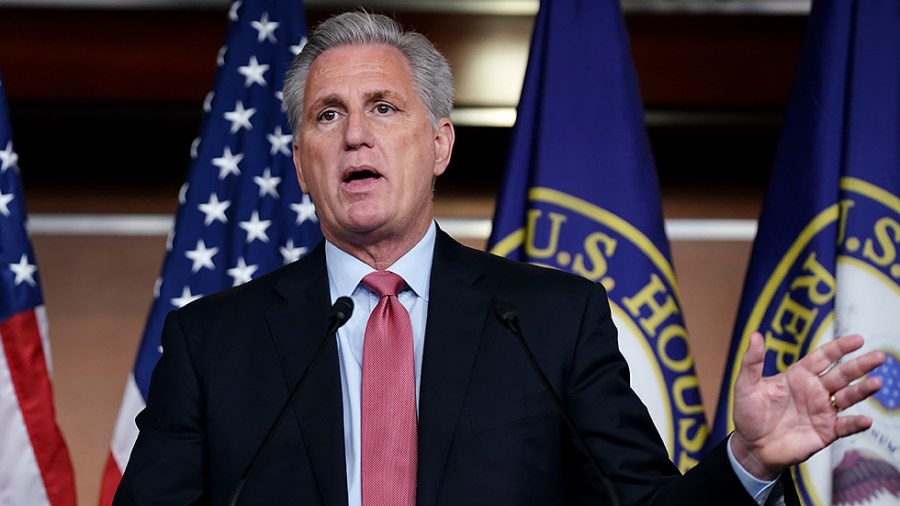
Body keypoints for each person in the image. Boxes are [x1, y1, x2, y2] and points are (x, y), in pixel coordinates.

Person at [114, 11, 885, 506]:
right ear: (299, 162)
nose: (356, 135)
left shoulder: (551, 322)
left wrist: (746, 458)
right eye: (328, 115)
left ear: (441, 142)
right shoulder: (211, 343)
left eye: (384, 108)